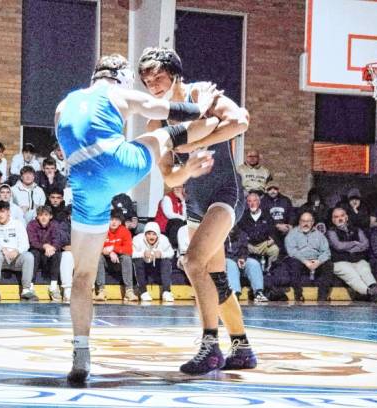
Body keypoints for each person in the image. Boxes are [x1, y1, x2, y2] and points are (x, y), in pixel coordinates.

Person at [56, 53, 220, 383]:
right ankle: (214, 127)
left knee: (83, 273)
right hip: (118, 165)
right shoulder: (119, 93)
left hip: (84, 184)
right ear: (123, 76)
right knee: (161, 135)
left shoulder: (65, 103)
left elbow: (65, 139)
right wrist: (202, 106)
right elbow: (165, 111)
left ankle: (81, 351)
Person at [139, 47, 256, 375]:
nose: (153, 84)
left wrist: (189, 146)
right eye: (147, 80)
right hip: (195, 202)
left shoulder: (200, 92)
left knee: (191, 261)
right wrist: (187, 169)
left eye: (158, 76)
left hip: (225, 194)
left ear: (174, 74)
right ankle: (242, 346)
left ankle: (210, 346)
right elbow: (169, 176)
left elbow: (241, 121)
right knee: (215, 279)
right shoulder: (156, 119)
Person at [326, 207, 377, 302]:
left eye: (342, 215)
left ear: (346, 217)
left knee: (365, 268)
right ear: (333, 220)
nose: (340, 218)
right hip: (340, 262)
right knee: (352, 274)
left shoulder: (357, 229)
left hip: (357, 260)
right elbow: (338, 246)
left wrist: (350, 249)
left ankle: (374, 288)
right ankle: (370, 292)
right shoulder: (331, 232)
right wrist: (354, 243)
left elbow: (365, 244)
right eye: (336, 217)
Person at [0, 200, 36, 302]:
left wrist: (17, 251)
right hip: (0, 259)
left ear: (8, 212)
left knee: (29, 256)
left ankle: (26, 290)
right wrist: (2, 249)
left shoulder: (17, 224)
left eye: (2, 212)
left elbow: (25, 244)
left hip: (15, 258)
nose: (0, 215)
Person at [282, 212, 333, 301]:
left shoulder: (319, 235)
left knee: (329, 264)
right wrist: (306, 262)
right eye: (303, 221)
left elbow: (326, 252)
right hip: (300, 260)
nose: (305, 224)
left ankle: (322, 297)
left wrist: (318, 261)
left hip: (316, 261)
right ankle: (298, 295)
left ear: (313, 222)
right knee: (294, 263)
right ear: (299, 222)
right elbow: (292, 252)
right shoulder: (292, 234)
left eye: (308, 221)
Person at [94, 210, 135, 302]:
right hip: (105, 262)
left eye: (116, 220)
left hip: (118, 262)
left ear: (120, 222)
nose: (113, 222)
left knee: (126, 258)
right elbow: (96, 248)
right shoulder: (101, 231)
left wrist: (112, 248)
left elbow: (129, 250)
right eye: (111, 219)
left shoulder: (124, 231)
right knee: (98, 257)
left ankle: (129, 291)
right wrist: (109, 252)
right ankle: (101, 291)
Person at [132, 221, 175, 302]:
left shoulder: (164, 239)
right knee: (138, 261)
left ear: (158, 235)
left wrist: (161, 254)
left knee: (166, 261)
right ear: (145, 234)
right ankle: (143, 291)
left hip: (157, 268)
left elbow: (171, 253)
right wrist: (143, 254)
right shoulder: (137, 239)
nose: (151, 237)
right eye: (149, 234)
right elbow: (131, 253)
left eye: (154, 234)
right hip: (144, 267)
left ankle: (166, 292)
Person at [27, 205, 62, 301]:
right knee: (34, 254)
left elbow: (58, 240)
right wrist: (45, 246)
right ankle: (30, 287)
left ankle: (53, 287)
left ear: (50, 216)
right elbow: (32, 241)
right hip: (38, 252)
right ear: (37, 216)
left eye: (46, 215)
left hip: (49, 254)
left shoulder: (55, 225)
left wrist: (52, 248)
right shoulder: (31, 224)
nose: (43, 217)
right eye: (41, 215)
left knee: (57, 254)